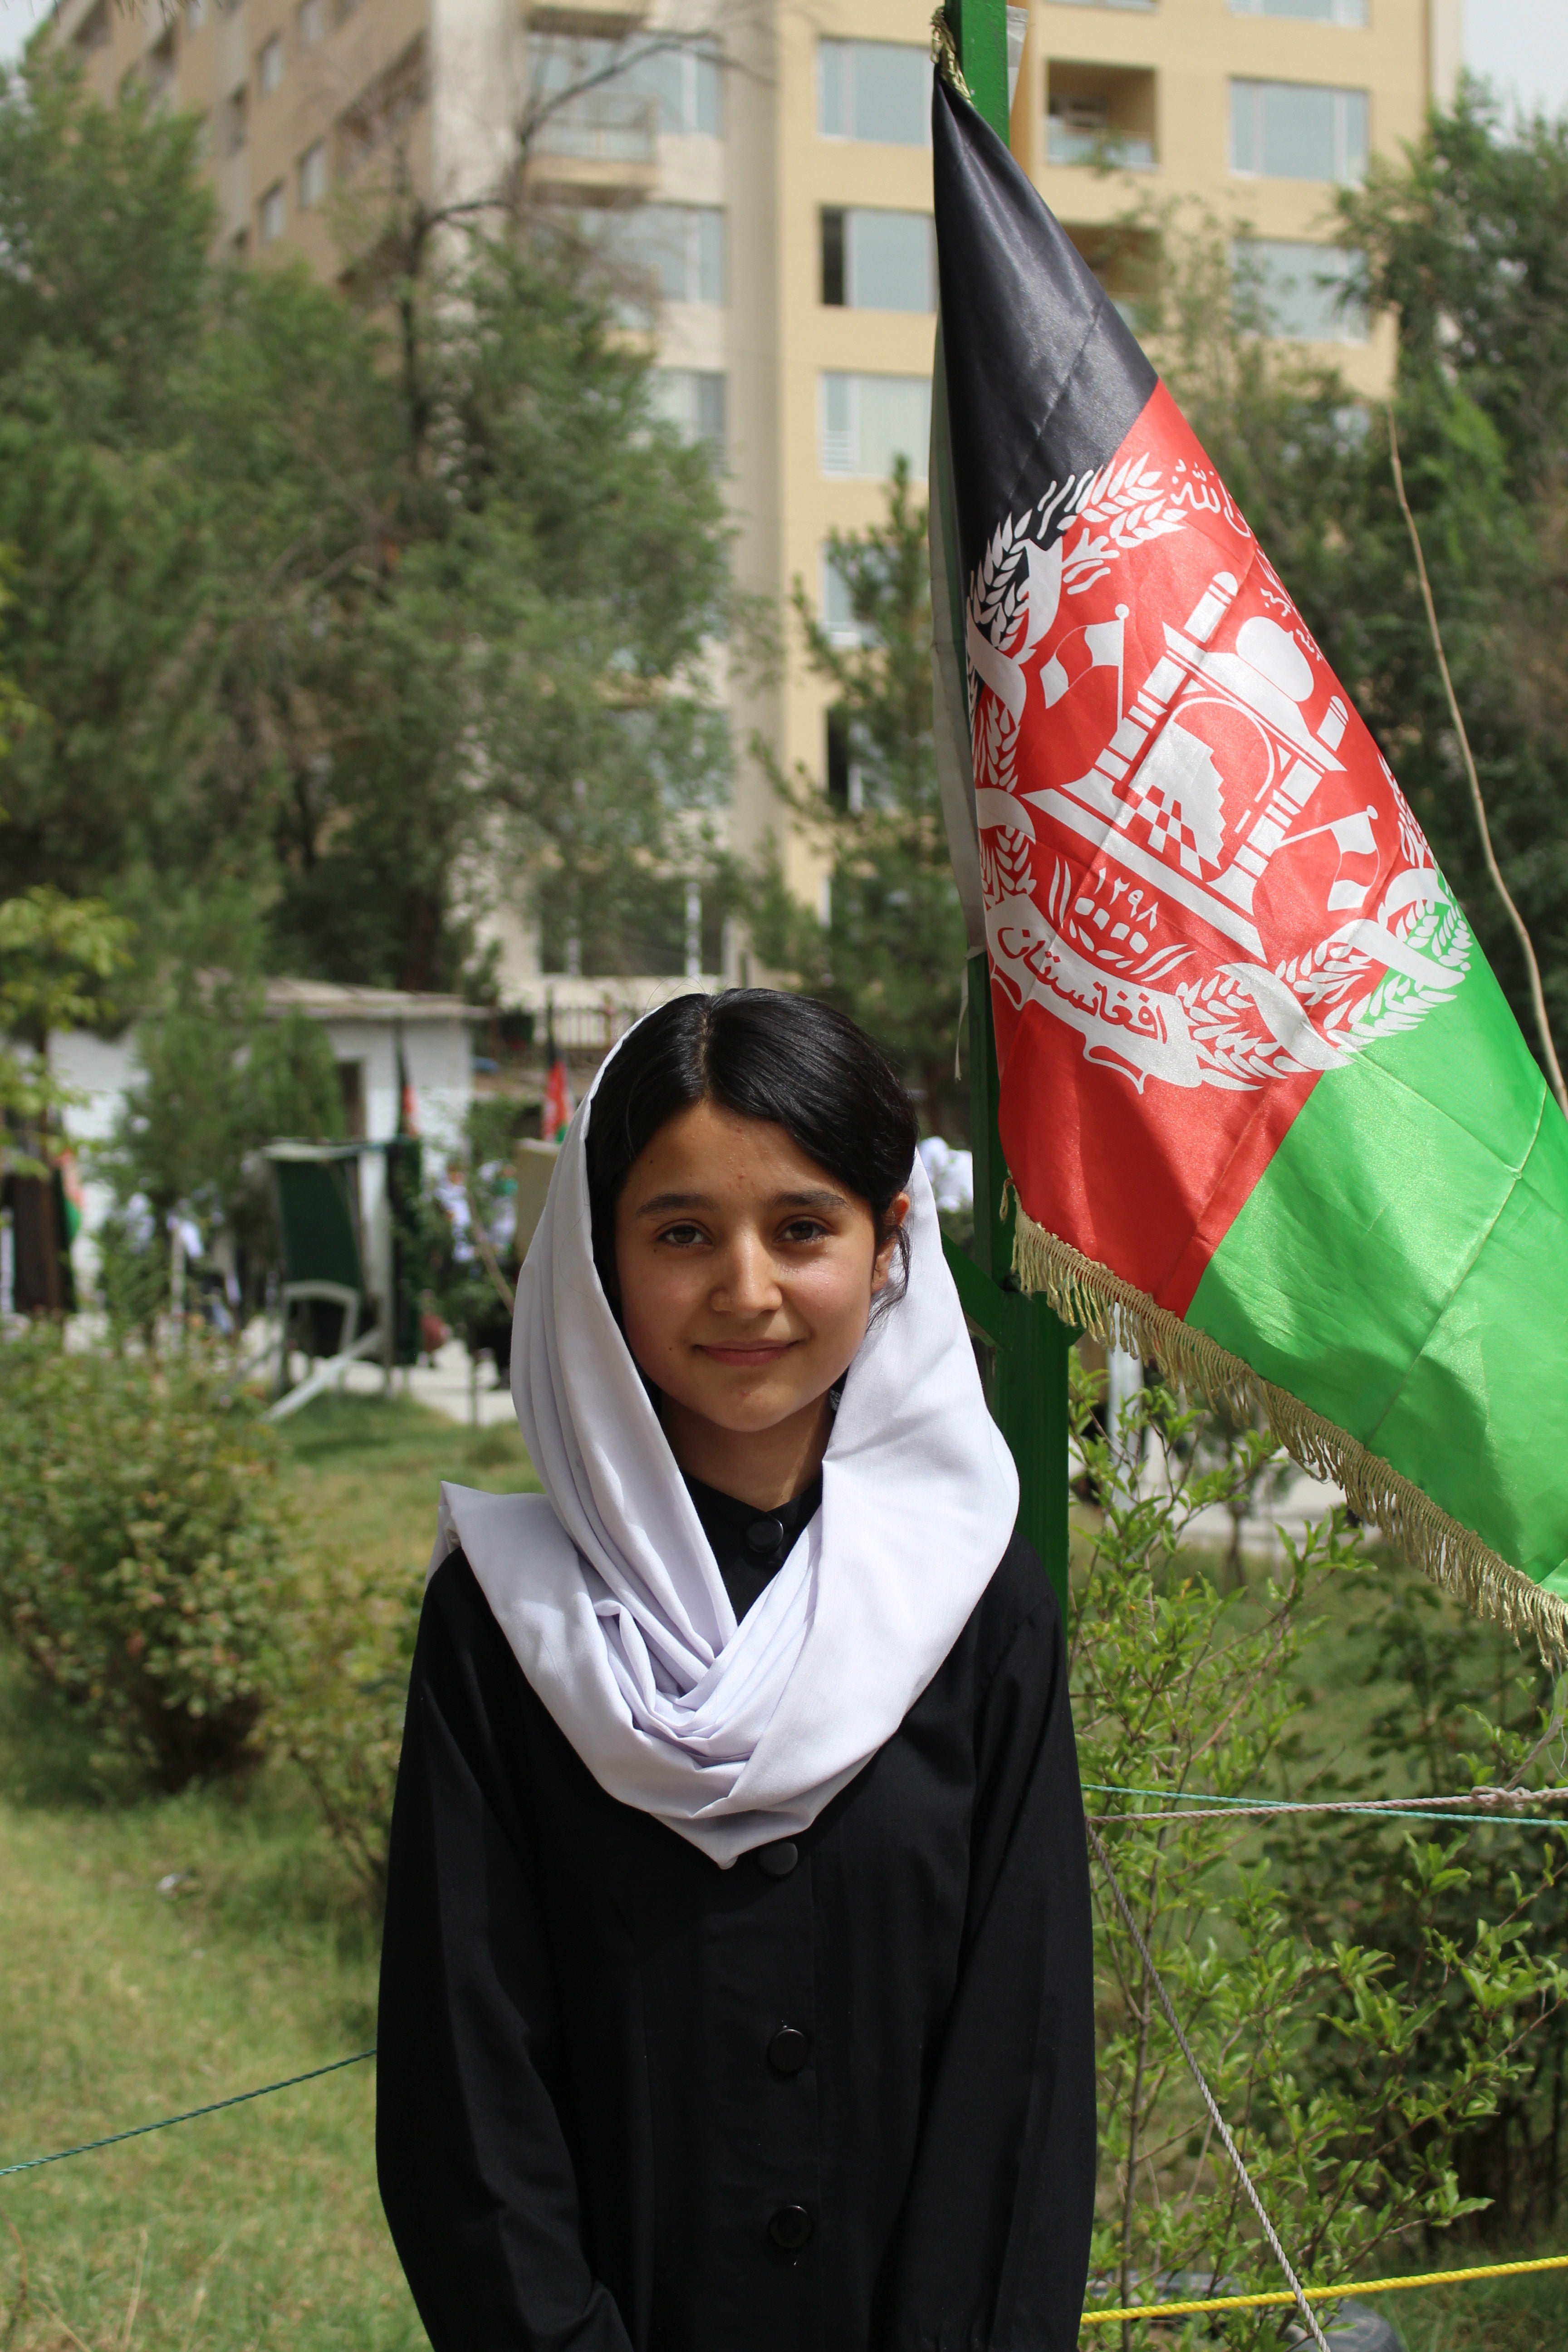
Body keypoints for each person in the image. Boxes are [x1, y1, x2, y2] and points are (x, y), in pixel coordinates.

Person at [376, 989, 1096, 2352]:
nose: (746, 1289)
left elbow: (1026, 2058)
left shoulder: (971, 1600)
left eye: (803, 1229)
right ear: (599, 1255)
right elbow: (464, 2098)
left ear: (891, 1245)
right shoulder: (505, 1625)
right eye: (683, 1232)